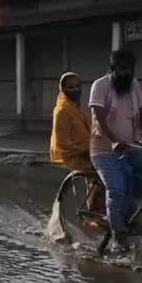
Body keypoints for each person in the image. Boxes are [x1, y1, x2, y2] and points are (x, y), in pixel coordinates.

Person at [89, 49, 142, 251]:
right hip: (103, 149)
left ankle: (127, 208)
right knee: (117, 189)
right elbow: (100, 119)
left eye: (129, 69)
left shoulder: (134, 85)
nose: (126, 73)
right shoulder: (100, 85)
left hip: (130, 146)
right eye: (122, 69)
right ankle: (118, 234)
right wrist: (112, 141)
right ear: (113, 69)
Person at [50, 72, 104, 215]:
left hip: (90, 151)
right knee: (107, 174)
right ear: (63, 89)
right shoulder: (62, 111)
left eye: (77, 86)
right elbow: (63, 144)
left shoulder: (79, 108)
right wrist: (88, 148)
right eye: (70, 87)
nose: (75, 90)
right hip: (76, 156)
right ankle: (96, 212)